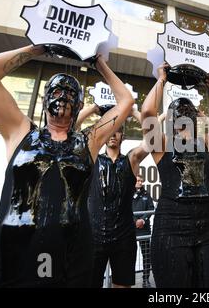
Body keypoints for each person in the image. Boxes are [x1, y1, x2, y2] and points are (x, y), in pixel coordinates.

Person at [0, 46, 134, 287]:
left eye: (70, 93)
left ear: (79, 105)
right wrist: (39, 47)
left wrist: (99, 63)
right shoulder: (19, 131)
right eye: (57, 90)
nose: (63, 96)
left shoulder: (88, 141)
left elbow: (126, 101)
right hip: (7, 255)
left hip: (70, 258)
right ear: (45, 97)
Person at [141, 63, 209, 288]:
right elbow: (147, 113)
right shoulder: (161, 145)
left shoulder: (207, 143)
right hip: (171, 226)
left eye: (189, 111)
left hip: (208, 226)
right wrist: (162, 80)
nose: (184, 115)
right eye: (179, 112)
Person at [76, 104, 147, 288]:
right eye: (111, 130)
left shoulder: (131, 159)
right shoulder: (92, 158)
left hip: (124, 237)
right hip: (93, 237)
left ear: (122, 136)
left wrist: (133, 112)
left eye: (118, 131)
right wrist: (92, 109)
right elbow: (72, 133)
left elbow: (153, 138)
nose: (113, 134)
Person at [132, 175, 155, 288]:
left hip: (144, 229)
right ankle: (127, 279)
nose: (140, 183)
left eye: (141, 181)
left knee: (146, 255)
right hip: (130, 229)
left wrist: (143, 220)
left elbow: (151, 208)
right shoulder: (128, 193)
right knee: (129, 254)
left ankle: (146, 280)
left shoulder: (146, 194)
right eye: (138, 180)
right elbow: (124, 208)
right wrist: (135, 221)